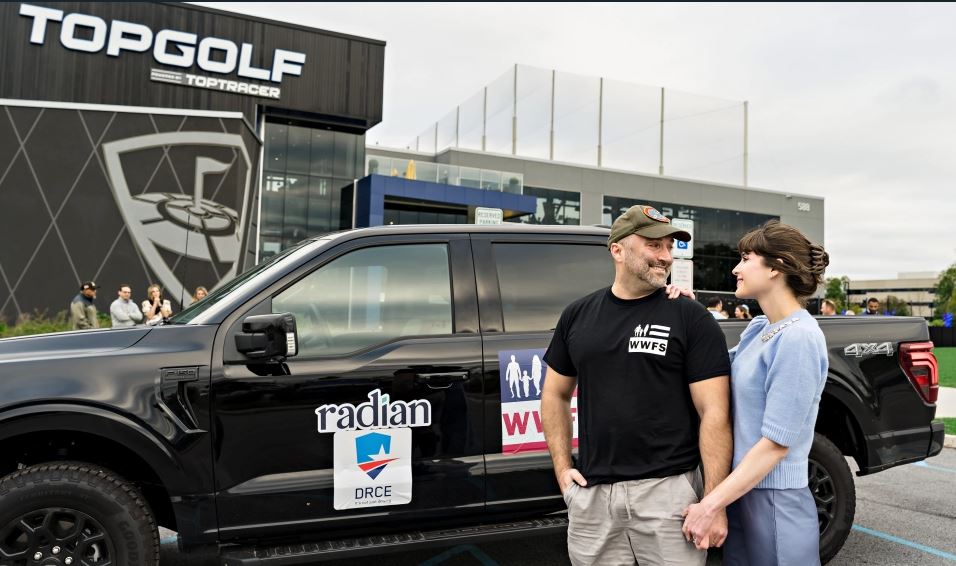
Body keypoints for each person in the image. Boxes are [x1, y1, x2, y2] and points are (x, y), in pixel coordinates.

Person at [541, 204, 732, 566]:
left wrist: (713, 502)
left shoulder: (689, 316)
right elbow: (554, 393)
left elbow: (715, 413)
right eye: (653, 245)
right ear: (618, 250)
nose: (665, 257)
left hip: (669, 498)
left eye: (669, 248)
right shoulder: (577, 315)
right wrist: (563, 472)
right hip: (592, 499)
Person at [681, 220, 829, 565]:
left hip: (775, 499)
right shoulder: (761, 328)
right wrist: (686, 311)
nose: (736, 267)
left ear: (776, 268)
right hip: (744, 490)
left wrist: (710, 504)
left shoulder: (799, 338)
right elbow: (717, 375)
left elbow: (776, 444)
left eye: (746, 258)